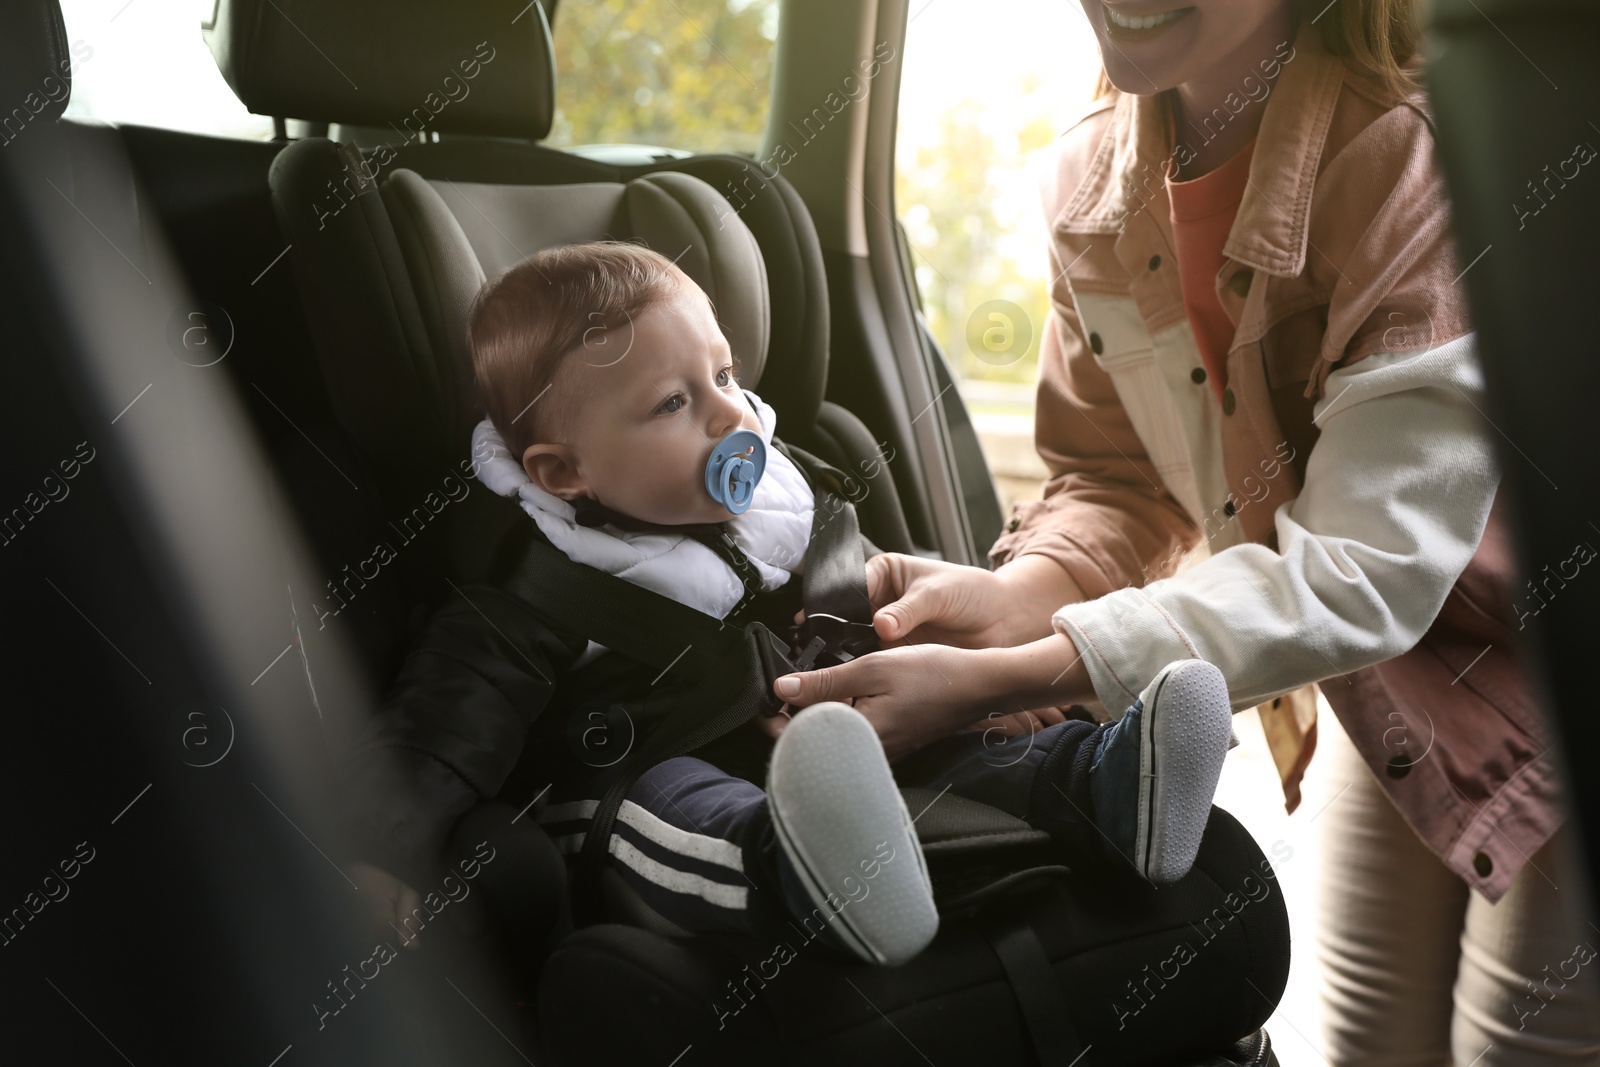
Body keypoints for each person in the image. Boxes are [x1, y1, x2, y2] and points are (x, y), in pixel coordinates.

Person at [769, 0, 1600, 1061]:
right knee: (1366, 1042)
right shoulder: (1091, 181)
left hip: (1544, 665)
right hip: (1393, 675)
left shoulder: (1409, 161)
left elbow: (1361, 565)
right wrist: (1021, 594)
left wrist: (1016, 675)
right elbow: (1113, 477)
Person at [342, 241, 1234, 970]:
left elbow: (862, 595)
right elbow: (441, 728)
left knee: (960, 744)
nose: (731, 415)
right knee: (670, 812)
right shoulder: (533, 586)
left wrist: (949, 679)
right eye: (673, 403)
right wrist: (382, 850)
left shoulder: (790, 501)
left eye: (724, 373)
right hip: (632, 775)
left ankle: (1105, 782)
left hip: (822, 747)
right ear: (563, 471)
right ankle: (801, 876)